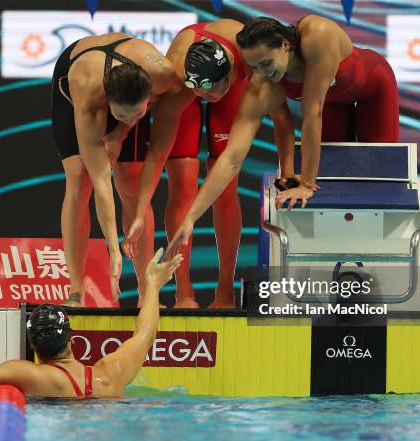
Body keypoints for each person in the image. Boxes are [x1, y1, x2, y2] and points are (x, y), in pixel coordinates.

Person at [165, 15, 398, 255]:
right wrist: (190, 218)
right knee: (331, 188)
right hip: (332, 104)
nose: (261, 73)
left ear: (285, 45)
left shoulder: (317, 35)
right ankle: (345, 260)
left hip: (373, 88)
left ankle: (386, 255)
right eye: (253, 67)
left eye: (265, 63)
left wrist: (306, 183)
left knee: (381, 179)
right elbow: (232, 158)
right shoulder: (264, 83)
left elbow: (312, 115)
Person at [122, 19, 297, 309]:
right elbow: (157, 155)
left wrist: (289, 173)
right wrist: (139, 211)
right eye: (201, 94)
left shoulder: (250, 63)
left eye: (212, 92)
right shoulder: (178, 84)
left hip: (233, 82)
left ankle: (225, 290)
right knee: (182, 186)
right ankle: (184, 292)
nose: (206, 98)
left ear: (229, 73)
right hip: (184, 89)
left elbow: (282, 120)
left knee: (225, 189)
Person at [0, 249, 183, 398]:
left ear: (34, 348)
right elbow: (145, 335)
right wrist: (152, 285)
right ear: (72, 340)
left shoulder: (28, 374)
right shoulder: (111, 374)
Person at [51, 32, 175, 307]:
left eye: (139, 114)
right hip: (75, 79)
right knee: (79, 179)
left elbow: (161, 103)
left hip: (130, 82)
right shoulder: (88, 98)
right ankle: (75, 291)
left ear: (148, 95)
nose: (131, 119)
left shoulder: (162, 73)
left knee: (131, 183)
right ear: (108, 105)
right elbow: (101, 181)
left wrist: (122, 130)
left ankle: (147, 291)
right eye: (120, 115)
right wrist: (113, 248)